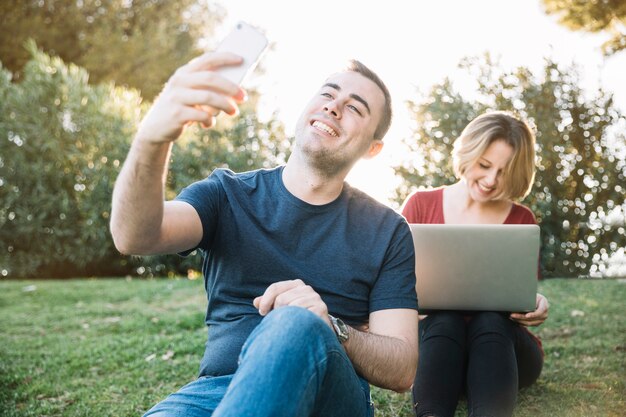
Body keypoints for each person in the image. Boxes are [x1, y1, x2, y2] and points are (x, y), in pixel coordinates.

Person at [110, 51, 419, 417]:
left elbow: (401, 369)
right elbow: (135, 236)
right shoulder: (226, 194)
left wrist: (329, 326)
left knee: (296, 323)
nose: (333, 107)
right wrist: (151, 139)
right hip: (217, 395)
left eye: (355, 108)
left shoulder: (388, 231)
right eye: (327, 93)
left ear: (373, 148)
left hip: (331, 398)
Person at [401, 111, 549, 417]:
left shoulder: (522, 219)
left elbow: (519, 295)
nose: (491, 180)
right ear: (468, 154)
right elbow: (393, 287)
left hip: (503, 351)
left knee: (490, 319)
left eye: (504, 171)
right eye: (484, 165)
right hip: (437, 348)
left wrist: (535, 304)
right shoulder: (420, 205)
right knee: (445, 319)